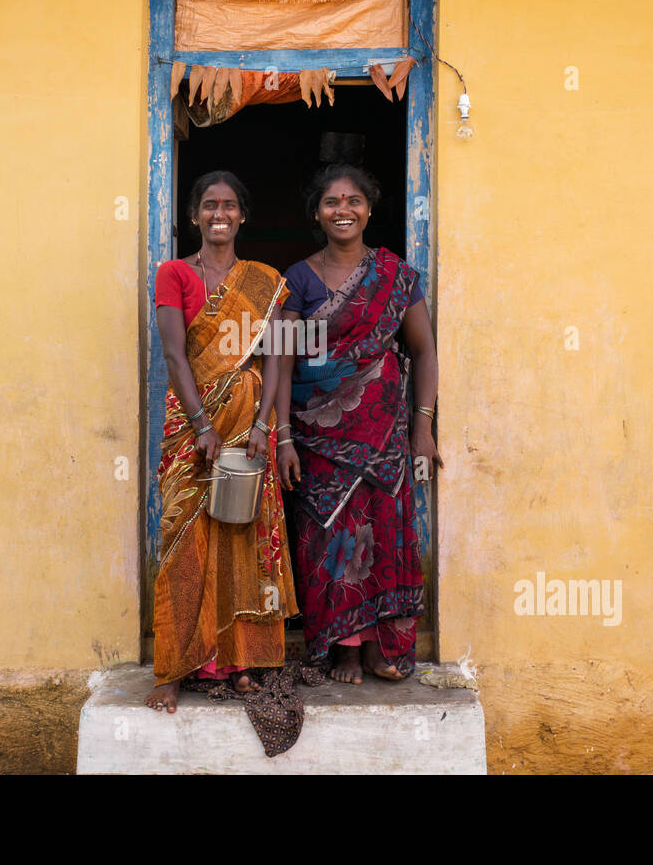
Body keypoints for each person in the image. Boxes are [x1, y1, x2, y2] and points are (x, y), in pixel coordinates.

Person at [275, 164, 442, 684]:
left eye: (353, 200)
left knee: (383, 533)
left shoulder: (396, 275)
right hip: (315, 432)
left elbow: (423, 349)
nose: (342, 209)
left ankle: (377, 647)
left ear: (369, 208)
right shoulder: (297, 278)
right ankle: (344, 649)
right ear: (317, 213)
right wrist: (281, 436)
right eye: (330, 202)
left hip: (384, 433)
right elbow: (280, 360)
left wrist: (423, 426)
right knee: (331, 539)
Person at [146, 171, 299, 713]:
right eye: (209, 205)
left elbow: (280, 357)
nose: (219, 214)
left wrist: (266, 428)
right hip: (192, 427)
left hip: (250, 426)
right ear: (194, 215)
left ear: (241, 215)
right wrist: (202, 426)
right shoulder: (173, 274)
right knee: (184, 541)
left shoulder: (264, 280)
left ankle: (238, 662)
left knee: (244, 538)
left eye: (229, 206)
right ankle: (174, 667)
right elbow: (173, 356)